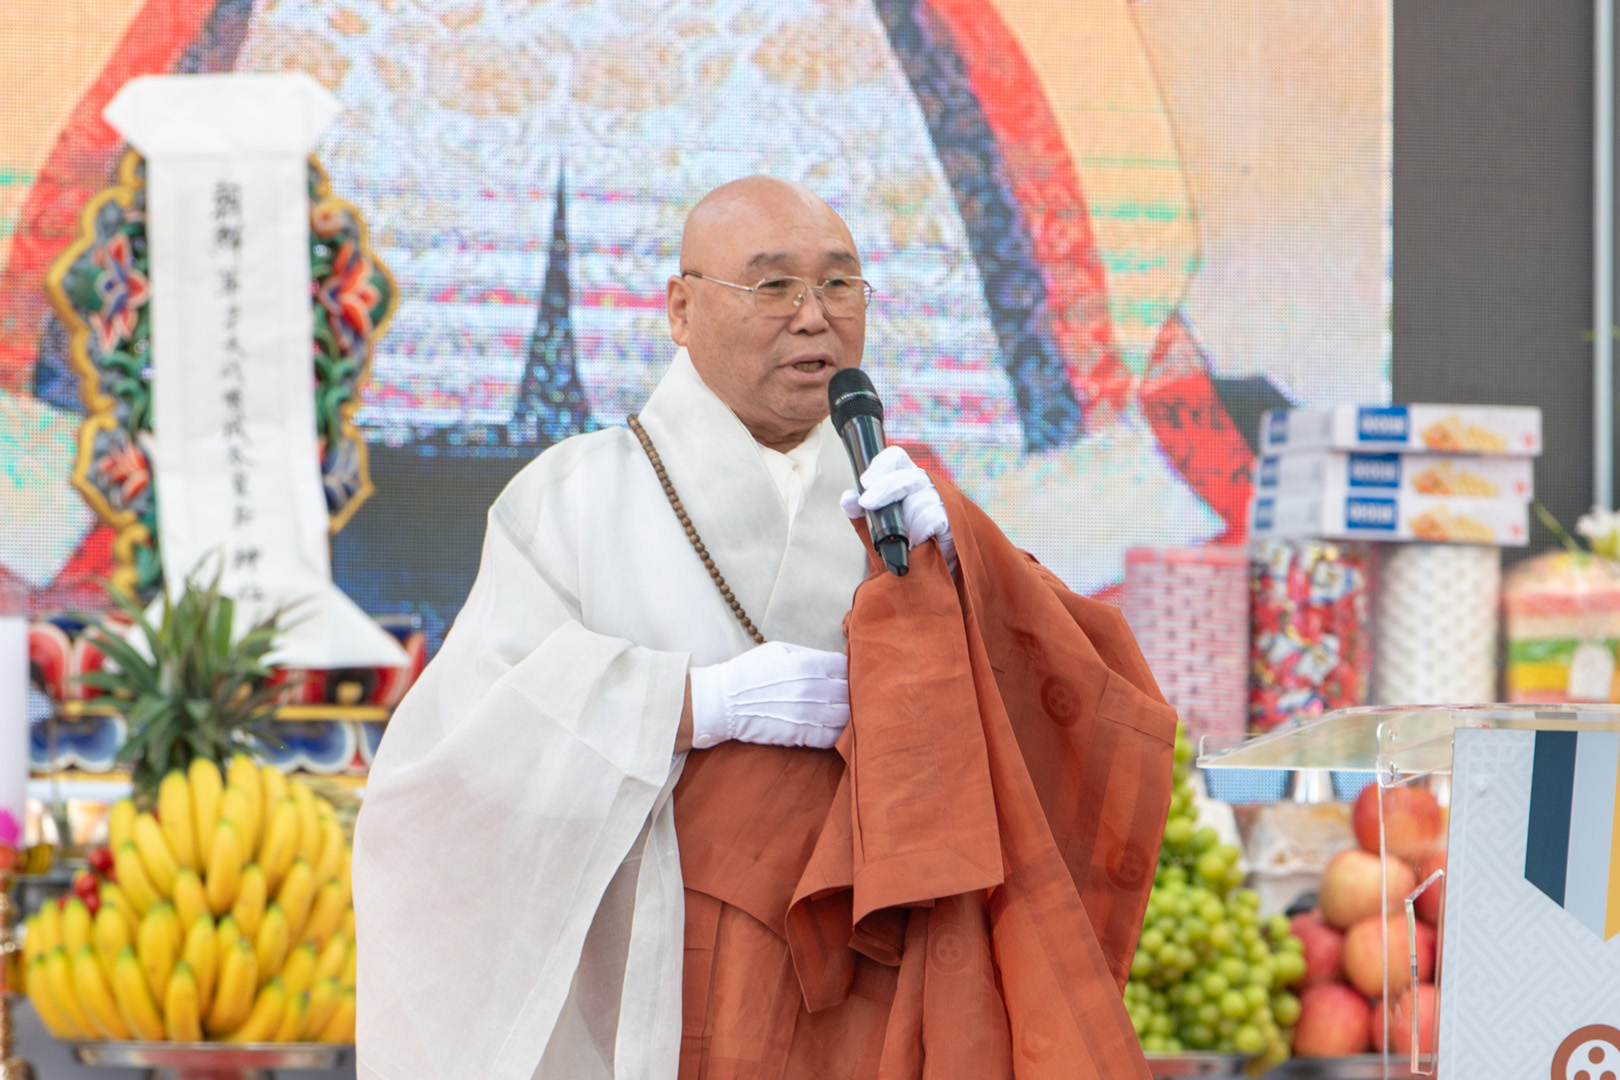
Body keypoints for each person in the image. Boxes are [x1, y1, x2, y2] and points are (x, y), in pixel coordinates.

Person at [353, 176, 1174, 1080]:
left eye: (839, 284)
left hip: (863, 991)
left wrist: (968, 559)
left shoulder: (897, 502)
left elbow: (1075, 698)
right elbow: (470, 742)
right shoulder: (574, 497)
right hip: (653, 983)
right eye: (773, 284)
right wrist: (692, 705)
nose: (814, 317)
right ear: (680, 308)